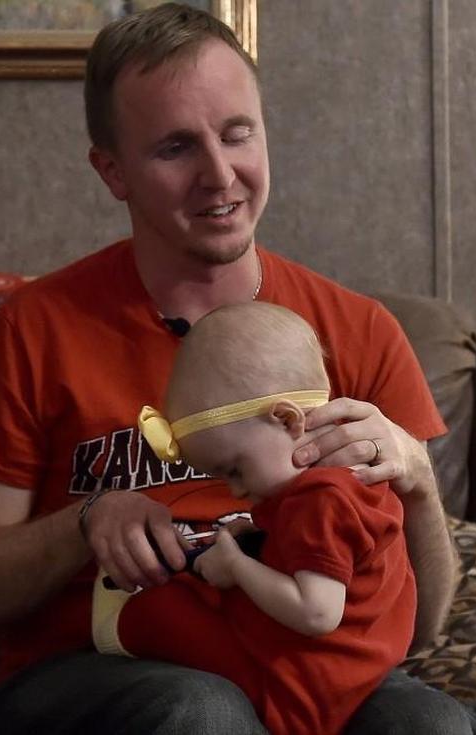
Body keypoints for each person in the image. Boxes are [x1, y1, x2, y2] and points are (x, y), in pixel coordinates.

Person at [0, 4, 476, 733]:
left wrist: (416, 482)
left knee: (432, 727)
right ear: (113, 171)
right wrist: (87, 522)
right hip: (95, 670)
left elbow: (423, 627)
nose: (219, 173)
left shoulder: (361, 331)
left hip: (305, 659)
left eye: (238, 134)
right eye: (175, 148)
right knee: (205, 712)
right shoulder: (33, 331)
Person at [91, 301, 417, 735]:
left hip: (296, 682)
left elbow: (318, 613)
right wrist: (258, 538)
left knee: (161, 610)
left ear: (286, 419)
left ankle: (117, 628)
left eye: (235, 470)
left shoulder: (321, 499)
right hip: (350, 663)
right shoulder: (346, 481)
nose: (237, 491)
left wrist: (238, 567)